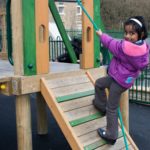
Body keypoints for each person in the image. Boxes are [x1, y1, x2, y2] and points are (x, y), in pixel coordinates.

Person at [93, 16, 149, 145]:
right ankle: (100, 106)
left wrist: (101, 35)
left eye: (132, 33)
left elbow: (111, 43)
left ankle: (111, 135)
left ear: (141, 34)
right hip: (122, 79)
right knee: (99, 84)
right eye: (126, 32)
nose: (128, 36)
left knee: (111, 108)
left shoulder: (125, 48)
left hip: (119, 82)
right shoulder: (143, 48)